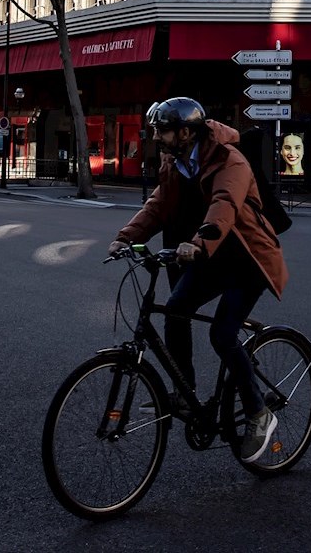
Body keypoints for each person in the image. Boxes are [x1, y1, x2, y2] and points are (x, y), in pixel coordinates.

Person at [108, 97, 289, 463]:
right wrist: (126, 237)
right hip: (211, 257)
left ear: (186, 132)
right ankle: (184, 389)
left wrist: (196, 244)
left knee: (222, 333)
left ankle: (259, 413)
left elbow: (224, 205)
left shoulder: (229, 160)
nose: (156, 136)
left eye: (163, 130)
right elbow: (159, 205)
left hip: (246, 259)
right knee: (175, 308)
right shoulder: (175, 163)